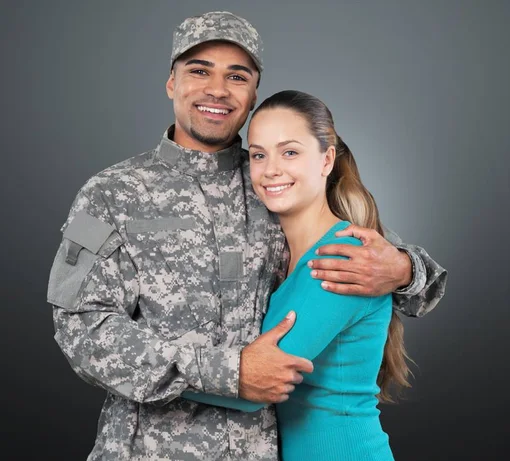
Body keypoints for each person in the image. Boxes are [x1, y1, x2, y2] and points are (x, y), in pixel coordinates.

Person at [46, 11, 447, 461]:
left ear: (253, 93)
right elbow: (80, 328)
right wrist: (228, 372)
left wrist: (405, 268)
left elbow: (383, 263)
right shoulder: (109, 194)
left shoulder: (275, 180)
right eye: (199, 71)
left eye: (236, 76)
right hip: (147, 450)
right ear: (171, 83)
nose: (217, 89)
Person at [182, 89, 418, 460]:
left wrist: (139, 371)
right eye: (259, 154)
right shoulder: (285, 253)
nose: (271, 169)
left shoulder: (342, 257)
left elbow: (258, 384)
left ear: (326, 160)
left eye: (289, 152)